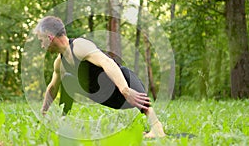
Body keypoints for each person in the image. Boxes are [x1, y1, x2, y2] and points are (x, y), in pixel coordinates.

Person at [35, 16, 166, 138]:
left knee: (124, 73)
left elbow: (107, 62)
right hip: (103, 96)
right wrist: (43, 112)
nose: (41, 46)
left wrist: (125, 90)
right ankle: (63, 121)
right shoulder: (59, 63)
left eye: (41, 41)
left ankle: (157, 127)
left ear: (50, 37)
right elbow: (52, 88)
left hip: (123, 92)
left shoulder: (79, 46)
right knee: (67, 79)